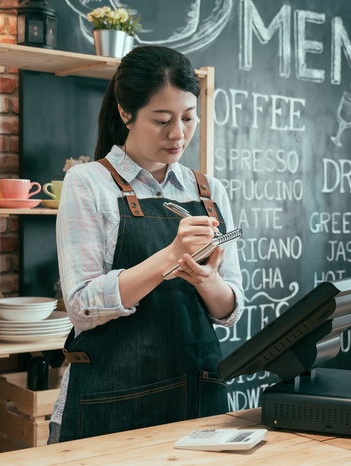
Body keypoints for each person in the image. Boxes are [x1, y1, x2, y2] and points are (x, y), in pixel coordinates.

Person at [48, 46, 244, 443]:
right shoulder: (88, 183)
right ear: (125, 113)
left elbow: (230, 310)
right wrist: (170, 257)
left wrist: (206, 279)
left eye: (188, 118)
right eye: (162, 120)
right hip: (110, 401)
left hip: (198, 398)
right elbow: (82, 306)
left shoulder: (209, 190)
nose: (178, 134)